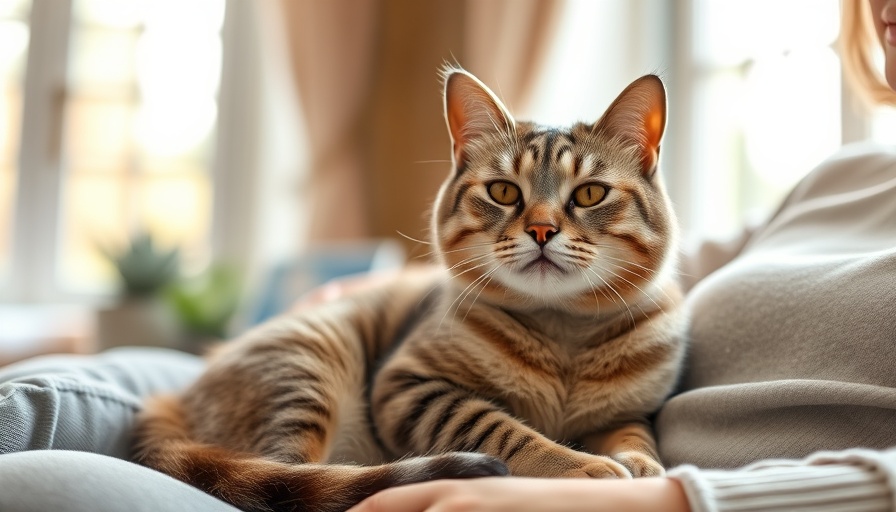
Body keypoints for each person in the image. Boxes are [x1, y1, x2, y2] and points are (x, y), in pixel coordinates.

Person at [346, 1, 896, 511]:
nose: (542, 227)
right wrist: (384, 292)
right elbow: (676, 260)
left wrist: (655, 501)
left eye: (587, 196)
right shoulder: (841, 175)